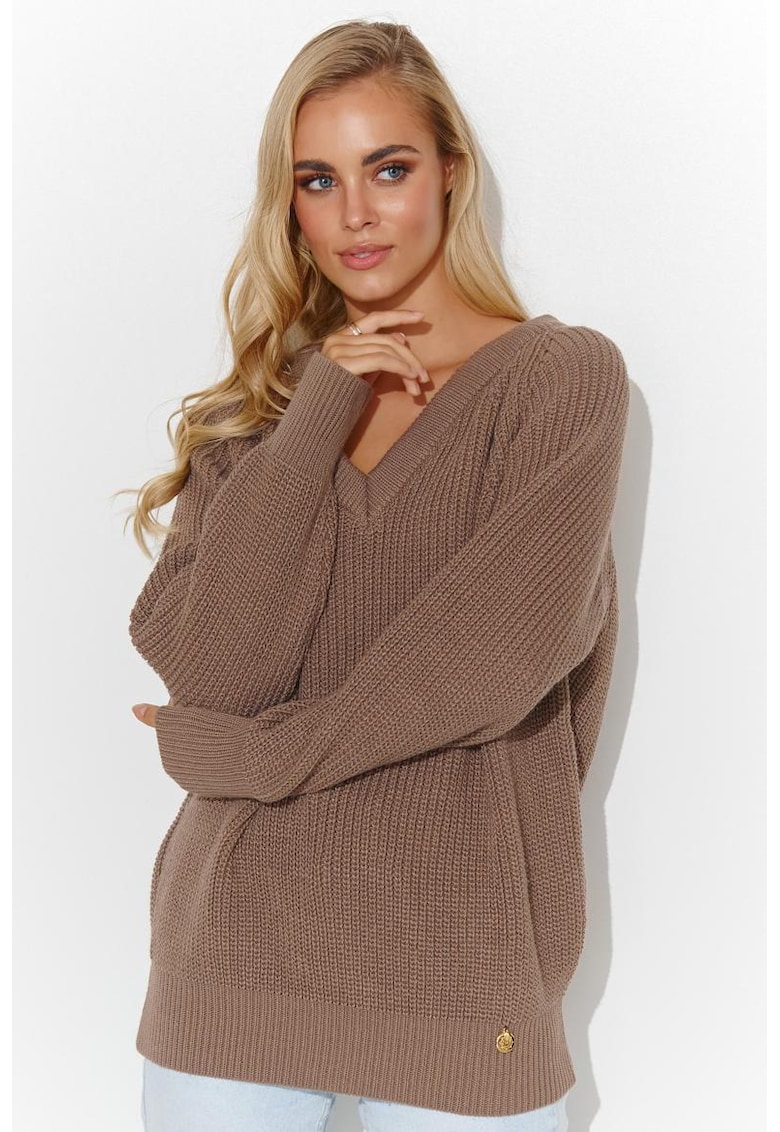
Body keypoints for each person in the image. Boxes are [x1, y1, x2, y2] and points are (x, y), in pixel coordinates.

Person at [124, 17, 629, 1132]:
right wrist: (316, 413)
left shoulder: (561, 382)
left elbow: (487, 664)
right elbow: (219, 672)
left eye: (387, 169)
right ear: (290, 206)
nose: (355, 212)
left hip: (463, 965)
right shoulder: (256, 419)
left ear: (450, 171)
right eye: (319, 180)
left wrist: (244, 757)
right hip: (230, 956)